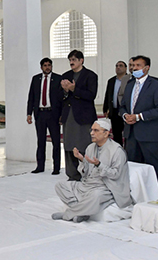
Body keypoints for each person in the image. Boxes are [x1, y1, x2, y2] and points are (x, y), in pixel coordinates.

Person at [52, 118, 132, 223]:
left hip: (105, 187)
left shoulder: (117, 151)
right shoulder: (90, 147)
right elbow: (86, 173)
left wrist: (99, 164)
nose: (91, 133)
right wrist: (82, 159)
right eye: (92, 130)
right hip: (88, 185)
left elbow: (116, 175)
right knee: (60, 186)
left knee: (96, 195)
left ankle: (69, 214)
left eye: (96, 130)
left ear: (106, 133)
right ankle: (82, 212)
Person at [120, 55, 158, 198]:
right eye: (133, 65)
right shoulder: (129, 84)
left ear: (146, 68)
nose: (134, 68)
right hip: (131, 133)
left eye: (138, 66)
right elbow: (122, 106)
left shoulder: (156, 84)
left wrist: (138, 116)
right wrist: (125, 116)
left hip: (149, 133)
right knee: (133, 167)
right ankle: (136, 196)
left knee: (154, 166)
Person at [60, 50, 98, 181]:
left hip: (84, 116)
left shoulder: (90, 75)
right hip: (69, 116)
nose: (71, 62)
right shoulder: (66, 75)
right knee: (69, 144)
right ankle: (72, 174)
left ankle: (88, 172)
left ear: (81, 60)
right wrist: (65, 92)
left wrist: (73, 89)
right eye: (70, 59)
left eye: (74, 59)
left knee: (84, 144)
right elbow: (60, 97)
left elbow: (90, 95)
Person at [27, 57, 62, 174]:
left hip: (53, 114)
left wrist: (61, 115)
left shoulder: (58, 79)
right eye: (45, 65)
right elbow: (31, 97)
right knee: (40, 141)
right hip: (40, 114)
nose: (47, 67)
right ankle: (40, 166)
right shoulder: (36, 79)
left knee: (56, 141)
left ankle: (56, 167)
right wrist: (29, 113)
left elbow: (62, 99)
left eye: (49, 65)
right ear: (41, 67)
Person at [103, 60, 129, 143]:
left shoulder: (130, 80)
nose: (118, 67)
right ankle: (119, 152)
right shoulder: (111, 81)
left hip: (126, 111)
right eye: (117, 66)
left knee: (128, 133)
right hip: (114, 111)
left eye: (121, 66)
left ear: (126, 68)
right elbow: (108, 95)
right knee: (116, 134)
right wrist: (105, 108)